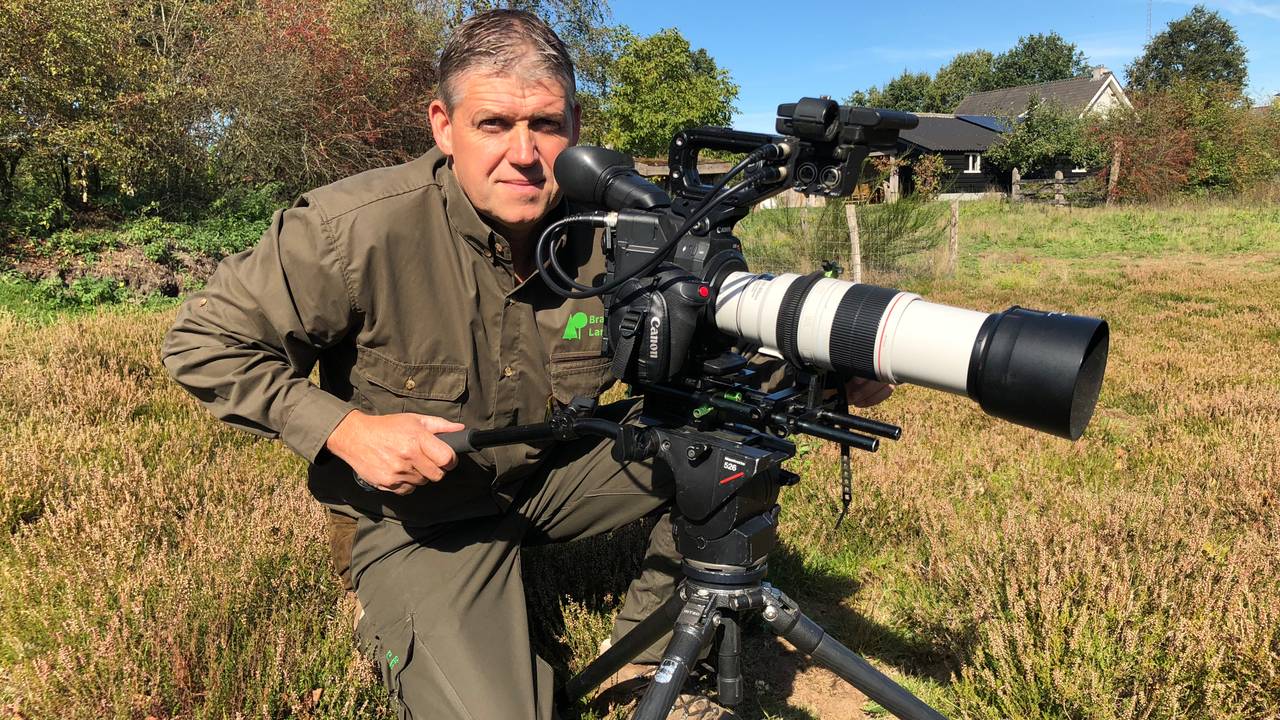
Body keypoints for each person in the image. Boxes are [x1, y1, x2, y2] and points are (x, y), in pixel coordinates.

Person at [162, 9, 892, 719]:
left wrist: (829, 370)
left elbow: (718, 345)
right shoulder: (351, 231)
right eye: (492, 124)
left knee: (739, 418)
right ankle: (396, 608)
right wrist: (349, 431)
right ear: (443, 128)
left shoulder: (619, 231)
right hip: (420, 517)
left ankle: (648, 664)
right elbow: (203, 342)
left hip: (553, 473)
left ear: (574, 128)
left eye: (545, 124)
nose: (523, 151)